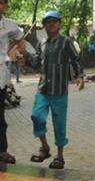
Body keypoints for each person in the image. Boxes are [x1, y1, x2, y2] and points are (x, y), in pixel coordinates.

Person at [30, 9, 84, 170]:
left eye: (54, 21)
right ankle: (45, 148)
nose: (51, 24)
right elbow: (34, 63)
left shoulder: (66, 42)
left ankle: (59, 156)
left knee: (59, 124)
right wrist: (24, 54)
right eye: (47, 22)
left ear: (59, 24)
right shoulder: (42, 43)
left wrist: (80, 76)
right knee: (36, 116)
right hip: (43, 90)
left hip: (60, 90)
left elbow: (77, 59)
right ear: (44, 26)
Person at [1, 0, 30, 164]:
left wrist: (16, 53)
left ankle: (2, 151)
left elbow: (21, 40)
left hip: (0, 76)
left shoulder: (9, 25)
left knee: (0, 116)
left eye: (1, 2)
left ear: (5, 6)